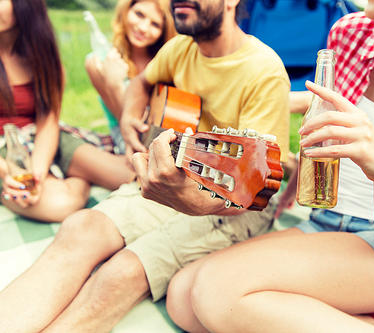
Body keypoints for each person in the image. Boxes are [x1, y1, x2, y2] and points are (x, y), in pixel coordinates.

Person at [164, 0, 374, 332]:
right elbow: (322, 109)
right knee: (182, 296)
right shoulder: (351, 33)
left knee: (218, 290)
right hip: (324, 222)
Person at [0, 0, 290, 330]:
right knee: (80, 229)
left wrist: (192, 201)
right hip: (175, 178)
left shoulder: (264, 71)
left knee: (123, 271)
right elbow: (139, 84)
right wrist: (127, 118)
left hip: (233, 206)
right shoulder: (180, 48)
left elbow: (251, 192)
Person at [0, 0, 136, 223]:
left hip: (44, 136)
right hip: (4, 149)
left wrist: (38, 173)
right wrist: (9, 173)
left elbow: (48, 121)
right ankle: (79, 178)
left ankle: (71, 173)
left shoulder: (42, 57)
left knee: (130, 174)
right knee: (60, 204)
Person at [85, 0, 177, 154]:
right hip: (127, 141)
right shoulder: (98, 61)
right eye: (139, 14)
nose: (143, 28)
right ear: (126, 10)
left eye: (155, 24)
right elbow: (128, 125)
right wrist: (115, 85)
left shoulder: (164, 61)